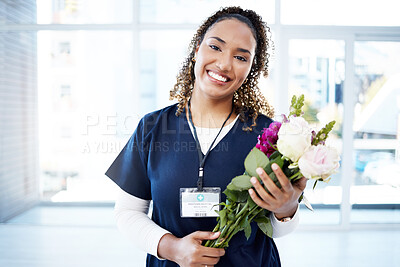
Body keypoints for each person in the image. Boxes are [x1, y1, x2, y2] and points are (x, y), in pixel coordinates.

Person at [106, 6, 306, 267]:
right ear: (197, 49)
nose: (224, 64)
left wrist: (286, 210)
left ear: (251, 70)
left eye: (241, 57)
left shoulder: (268, 135)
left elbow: (275, 230)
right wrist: (173, 248)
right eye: (215, 47)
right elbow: (127, 212)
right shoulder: (152, 128)